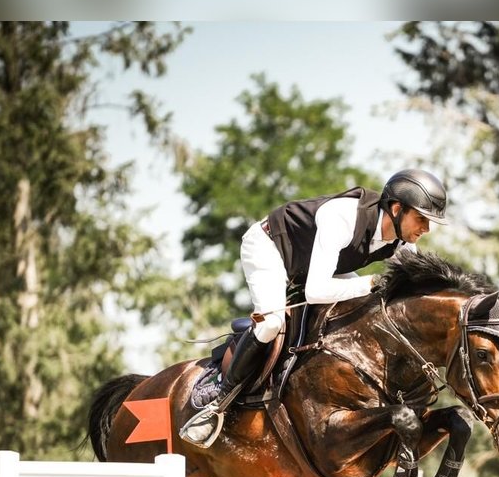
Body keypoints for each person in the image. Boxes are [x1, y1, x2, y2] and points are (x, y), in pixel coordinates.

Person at [180, 168, 449, 447]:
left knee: (368, 308)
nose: (426, 229)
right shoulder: (343, 217)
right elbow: (316, 291)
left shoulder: (403, 243)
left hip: (314, 265)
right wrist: (371, 282)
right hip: (271, 247)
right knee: (271, 322)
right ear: (396, 208)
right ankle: (218, 399)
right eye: (421, 219)